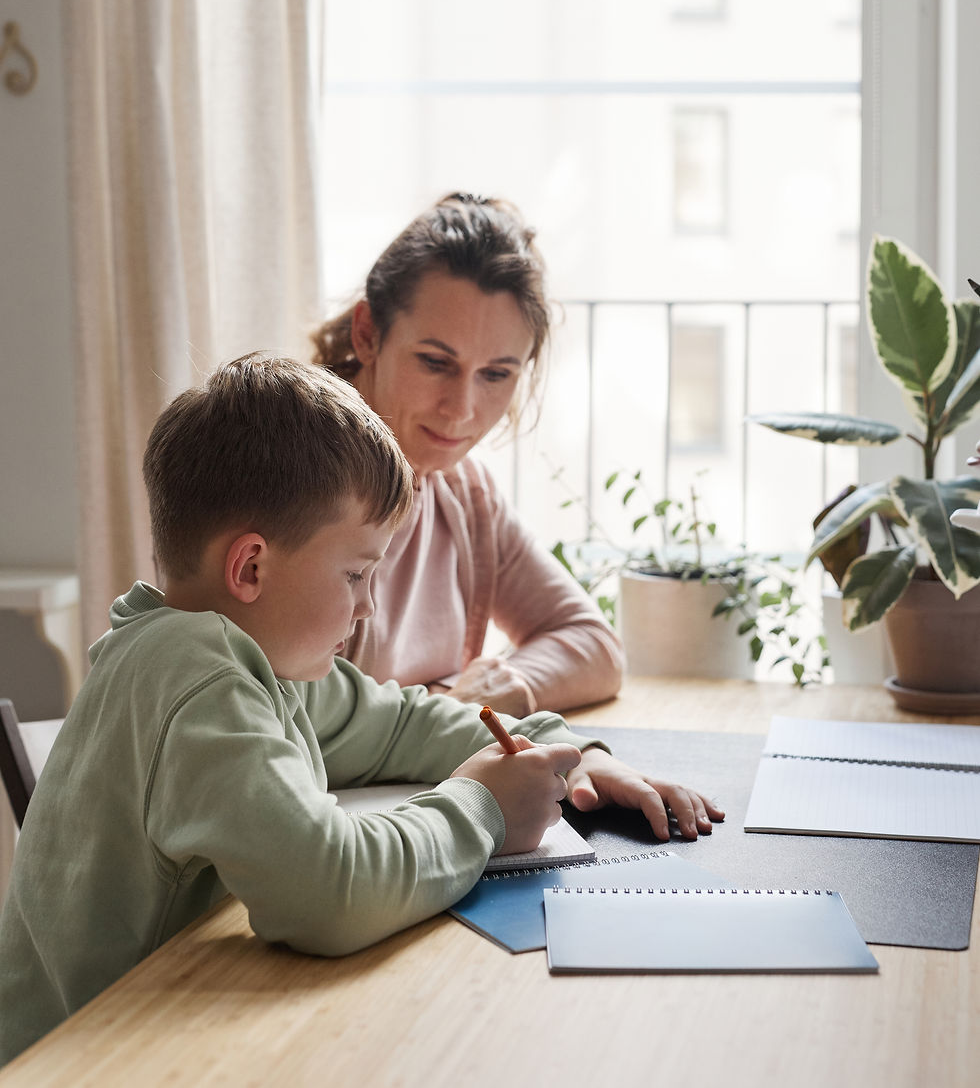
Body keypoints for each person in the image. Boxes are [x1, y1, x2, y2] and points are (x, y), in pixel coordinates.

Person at [0, 353, 722, 1066]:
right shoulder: (196, 683)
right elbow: (326, 892)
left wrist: (572, 756)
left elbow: (404, 723)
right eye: (355, 573)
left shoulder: (250, 662)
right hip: (85, 1061)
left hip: (164, 1029)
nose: (366, 606)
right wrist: (483, 809)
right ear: (251, 567)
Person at [311, 193, 624, 717]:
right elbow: (296, 713)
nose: (461, 410)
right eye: (435, 362)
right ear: (368, 334)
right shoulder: (290, 480)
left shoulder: (464, 494)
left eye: (497, 374)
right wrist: (450, 710)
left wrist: (502, 689)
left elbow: (595, 646)